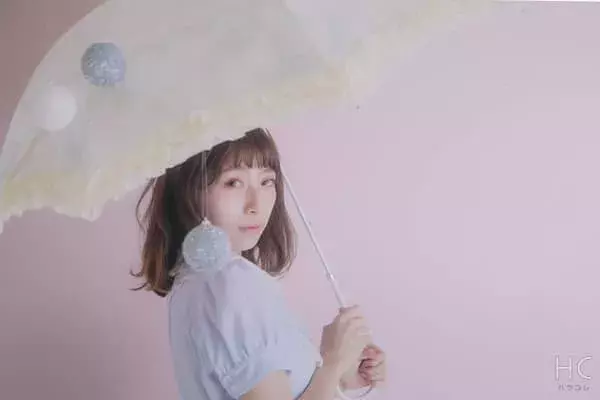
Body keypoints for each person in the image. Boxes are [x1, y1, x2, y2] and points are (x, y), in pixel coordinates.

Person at [131, 127, 387, 399]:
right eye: (233, 182)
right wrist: (333, 361)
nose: (256, 205)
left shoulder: (200, 279)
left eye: (267, 181)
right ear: (188, 191)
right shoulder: (228, 283)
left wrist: (340, 380)